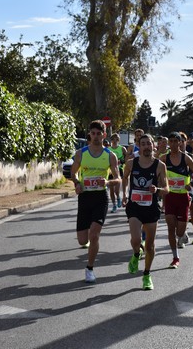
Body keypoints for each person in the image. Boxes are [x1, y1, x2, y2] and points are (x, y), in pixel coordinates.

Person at [70, 120, 121, 283]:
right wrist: (77, 183)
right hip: (85, 198)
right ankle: (88, 253)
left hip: (100, 197)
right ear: (89, 135)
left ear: (104, 135)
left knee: (94, 235)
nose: (96, 136)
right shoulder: (81, 153)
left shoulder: (110, 156)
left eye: (99, 133)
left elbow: (118, 178)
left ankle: (90, 268)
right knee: (82, 240)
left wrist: (107, 183)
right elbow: (73, 173)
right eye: (93, 133)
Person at [122, 134, 168, 290]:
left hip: (151, 207)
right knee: (135, 240)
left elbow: (166, 188)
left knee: (149, 246)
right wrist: (123, 195)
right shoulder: (130, 163)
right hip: (134, 206)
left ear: (153, 146)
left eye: (149, 143)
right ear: (139, 146)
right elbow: (124, 178)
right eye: (143, 144)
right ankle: (136, 254)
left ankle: (147, 275)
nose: (146, 146)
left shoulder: (160, 165)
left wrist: (158, 189)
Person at [160, 131, 193, 268]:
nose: (172, 144)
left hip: (183, 197)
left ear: (180, 142)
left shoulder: (186, 158)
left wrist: (192, 184)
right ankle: (175, 257)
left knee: (179, 231)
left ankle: (183, 235)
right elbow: (156, 172)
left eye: (175, 141)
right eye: (170, 141)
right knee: (171, 227)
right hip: (170, 197)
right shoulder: (164, 158)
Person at [108, 133, 127, 213]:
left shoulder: (122, 148)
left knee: (116, 190)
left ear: (118, 140)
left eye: (116, 139)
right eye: (113, 139)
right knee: (111, 191)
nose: (114, 141)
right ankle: (114, 205)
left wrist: (121, 162)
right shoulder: (108, 149)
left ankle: (118, 198)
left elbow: (127, 158)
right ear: (111, 140)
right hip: (110, 171)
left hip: (119, 170)